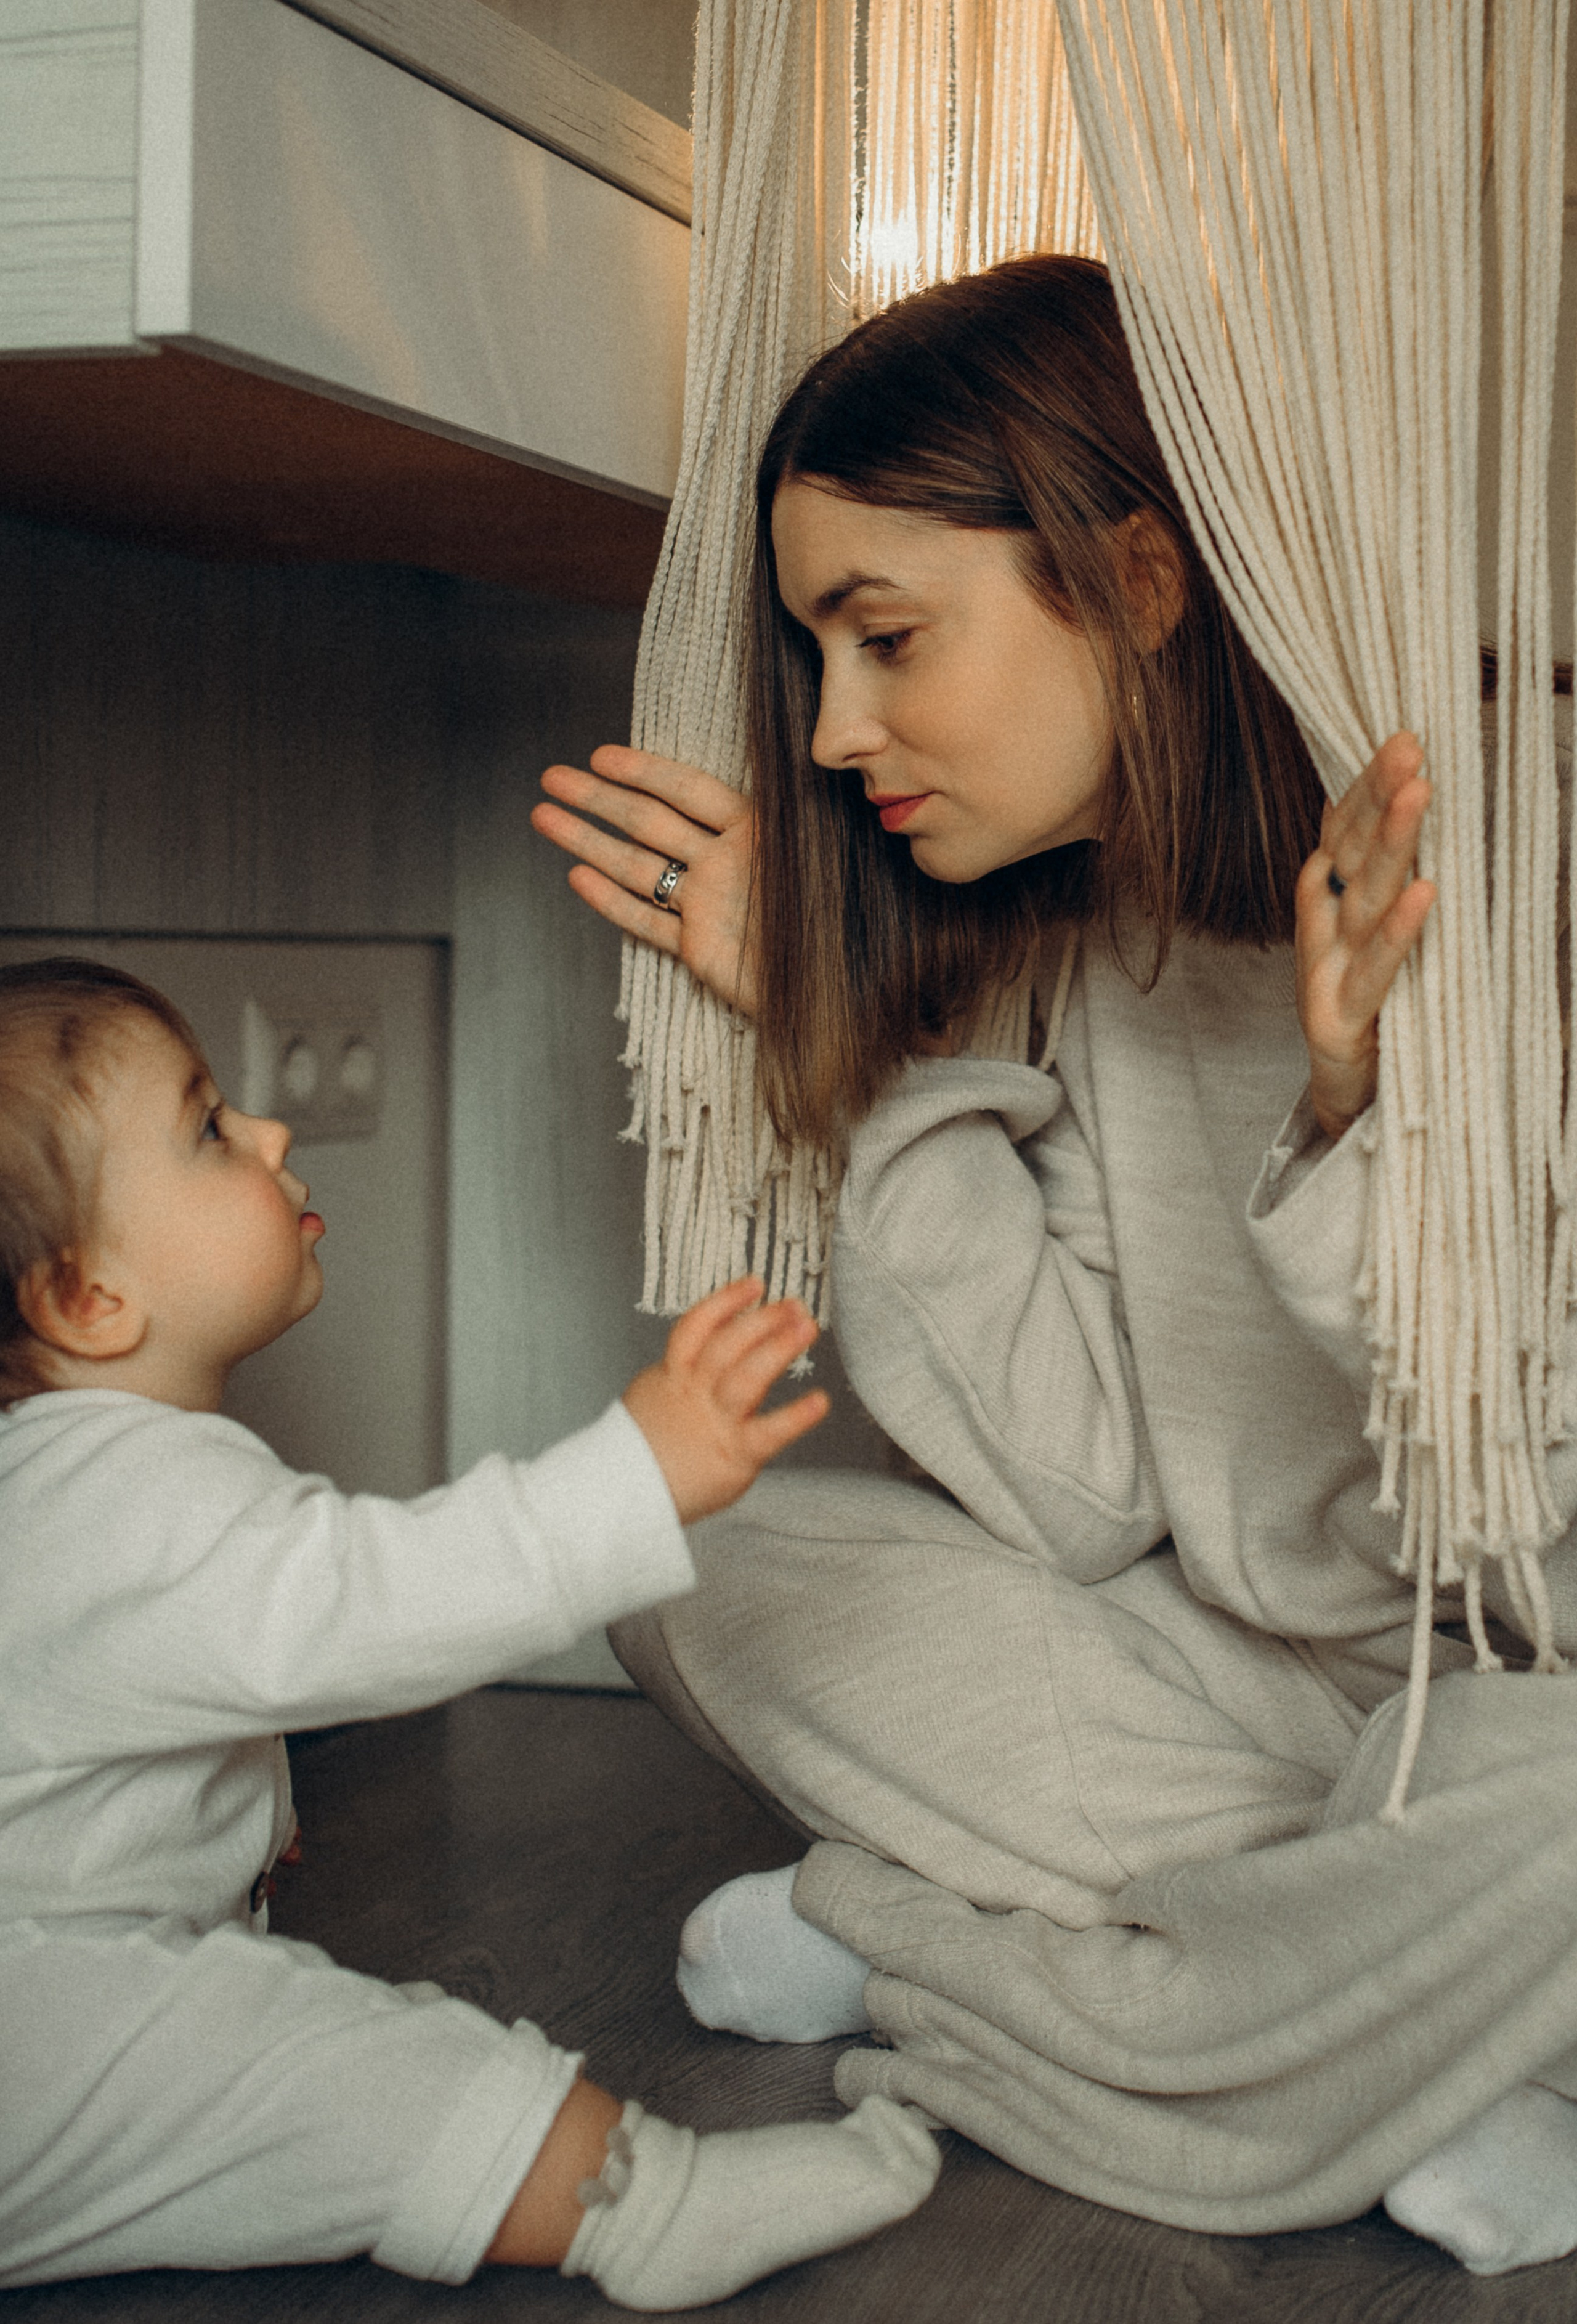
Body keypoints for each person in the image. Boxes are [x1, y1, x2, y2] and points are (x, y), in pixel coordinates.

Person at [532, 254, 1577, 2280]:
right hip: (1265, 1697)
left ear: (1140, 584)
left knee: (1523, 1789)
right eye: (816, 655)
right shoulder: (1106, 942)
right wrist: (844, 1056)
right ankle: (1420, 2021)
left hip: (1530, 1686)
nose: (834, 732)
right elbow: (1085, 1500)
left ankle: (959, 1952)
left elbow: (1529, 1522)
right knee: (671, 1552)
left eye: (886, 637)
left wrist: (1361, 1107)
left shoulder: (1515, 862)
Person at [0, 956, 941, 2303]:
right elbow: (374, 1600)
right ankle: (646, 2203)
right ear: (90, 1297)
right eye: (209, 1128)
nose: (270, 1134)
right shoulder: (121, 1498)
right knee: (350, 2063)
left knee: (293, 2046)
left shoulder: (73, 1482)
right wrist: (637, 1469)